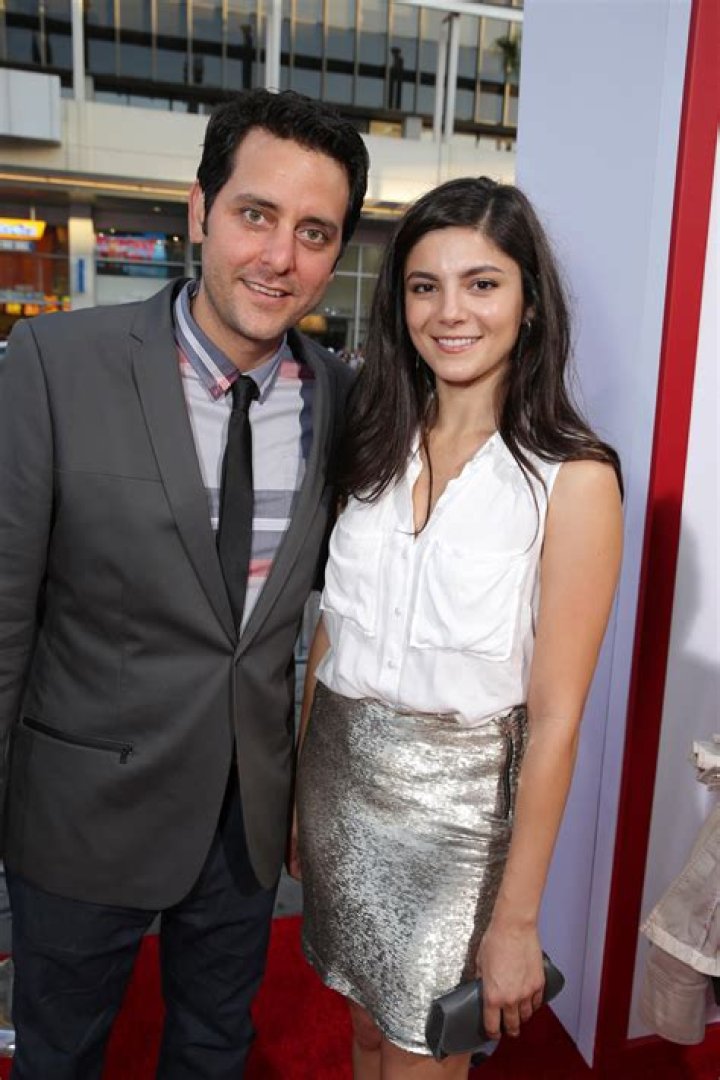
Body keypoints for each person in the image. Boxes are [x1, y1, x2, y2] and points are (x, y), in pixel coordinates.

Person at [0, 88, 368, 1078]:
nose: (279, 256)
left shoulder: (348, 401)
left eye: (314, 232)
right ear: (200, 210)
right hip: (79, 814)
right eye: (256, 214)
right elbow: (4, 618)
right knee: (59, 1058)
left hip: (244, 826)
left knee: (214, 1051)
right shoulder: (54, 363)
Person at [293, 176, 623, 1079]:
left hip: (459, 830)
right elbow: (331, 635)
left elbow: (556, 720)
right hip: (337, 784)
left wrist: (517, 919)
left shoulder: (572, 479)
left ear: (529, 302)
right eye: (424, 286)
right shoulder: (372, 442)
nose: (450, 312)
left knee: (422, 1054)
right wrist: (299, 796)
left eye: (482, 283)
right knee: (365, 1032)